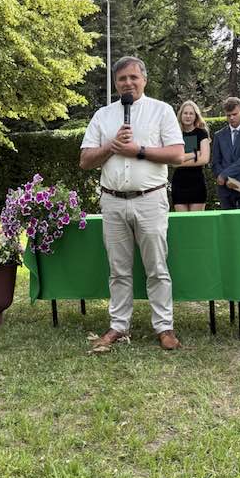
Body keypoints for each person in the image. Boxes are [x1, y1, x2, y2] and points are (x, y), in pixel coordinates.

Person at [79, 56, 185, 351]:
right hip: (113, 201)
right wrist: (111, 147)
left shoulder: (161, 110)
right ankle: (118, 326)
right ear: (115, 83)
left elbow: (177, 154)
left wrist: (138, 150)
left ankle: (164, 327)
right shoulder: (103, 116)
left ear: (144, 80)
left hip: (150, 199)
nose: (128, 83)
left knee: (157, 267)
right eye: (122, 78)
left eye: (133, 77)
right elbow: (85, 160)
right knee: (118, 269)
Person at [171, 100, 210, 211]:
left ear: (195, 116)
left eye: (191, 113)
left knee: (196, 220)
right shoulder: (175, 134)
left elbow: (204, 159)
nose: (188, 116)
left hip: (197, 183)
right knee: (182, 220)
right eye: (185, 113)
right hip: (179, 184)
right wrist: (194, 154)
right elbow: (173, 162)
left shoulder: (201, 133)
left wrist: (180, 161)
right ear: (181, 115)